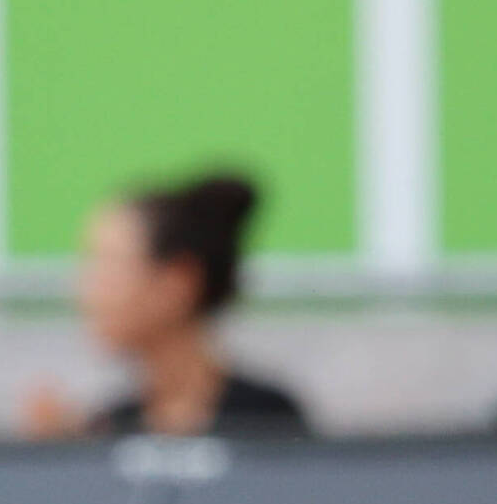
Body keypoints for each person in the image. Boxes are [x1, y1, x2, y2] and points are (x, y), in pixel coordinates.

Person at [25, 171, 312, 441]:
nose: (85, 290)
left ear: (178, 281)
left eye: (109, 266)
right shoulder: (109, 425)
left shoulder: (270, 424)